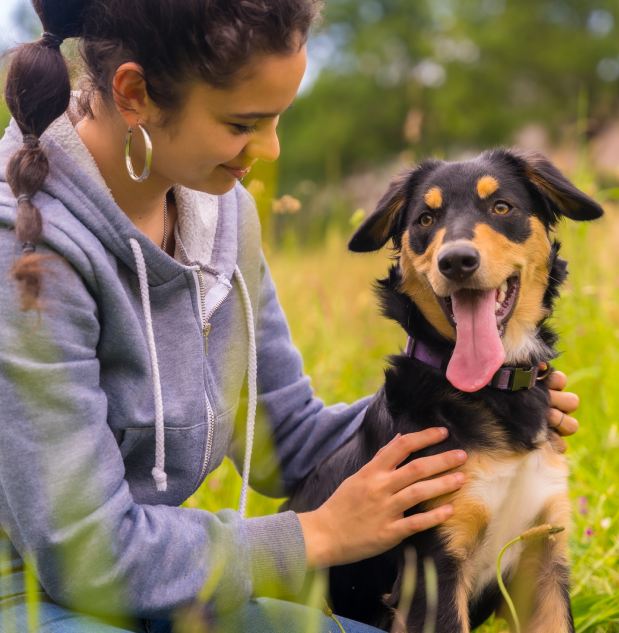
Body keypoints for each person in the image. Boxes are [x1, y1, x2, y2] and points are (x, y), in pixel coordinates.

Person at [0, 1, 580, 631]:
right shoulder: (25, 251)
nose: (270, 150)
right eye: (242, 122)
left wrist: (473, 405)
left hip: (168, 589)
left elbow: (294, 444)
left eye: (278, 118)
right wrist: (315, 536)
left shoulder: (222, 214)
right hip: (31, 599)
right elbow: (85, 557)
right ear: (134, 92)